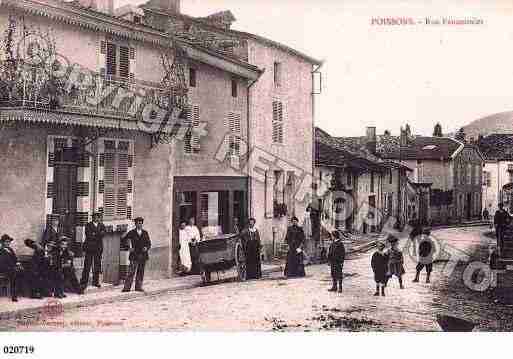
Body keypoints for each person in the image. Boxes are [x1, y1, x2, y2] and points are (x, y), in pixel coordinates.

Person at [122, 217, 151, 293]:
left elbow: (149, 243)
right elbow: (124, 241)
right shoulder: (131, 233)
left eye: (141, 223)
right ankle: (126, 288)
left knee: (140, 272)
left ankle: (138, 287)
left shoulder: (145, 233)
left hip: (143, 255)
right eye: (138, 223)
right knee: (131, 272)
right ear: (135, 224)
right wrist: (128, 248)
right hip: (134, 255)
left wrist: (146, 248)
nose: (140, 224)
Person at [81, 212, 106, 290]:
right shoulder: (88, 225)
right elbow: (89, 235)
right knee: (87, 265)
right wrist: (98, 234)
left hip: (98, 248)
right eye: (95, 217)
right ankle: (84, 282)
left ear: (99, 218)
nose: (96, 218)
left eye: (98, 217)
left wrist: (95, 233)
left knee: (97, 265)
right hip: (89, 248)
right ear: (92, 218)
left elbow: (103, 234)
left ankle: (95, 282)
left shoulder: (102, 225)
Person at [0, 235, 22, 302]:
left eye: (9, 242)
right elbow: (2, 262)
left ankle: (19, 292)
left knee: (21, 272)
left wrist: (18, 263)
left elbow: (15, 258)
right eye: (6, 242)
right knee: (15, 274)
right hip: (4, 268)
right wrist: (13, 266)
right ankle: (14, 296)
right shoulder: (1, 250)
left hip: (11, 268)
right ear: (3, 242)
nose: (8, 243)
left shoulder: (10, 249)